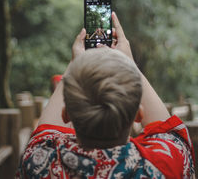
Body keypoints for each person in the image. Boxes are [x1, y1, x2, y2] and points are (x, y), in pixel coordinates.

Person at [16, 12, 195, 178]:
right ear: (138, 115)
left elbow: (43, 133)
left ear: (66, 114)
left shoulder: (40, 164)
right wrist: (128, 61)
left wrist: (75, 63)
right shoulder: (165, 164)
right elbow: (167, 130)